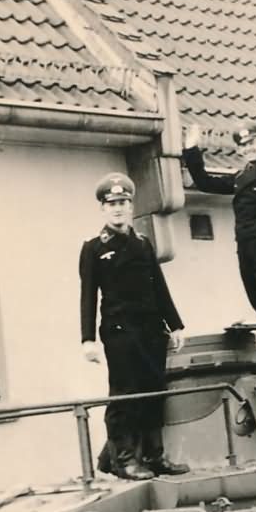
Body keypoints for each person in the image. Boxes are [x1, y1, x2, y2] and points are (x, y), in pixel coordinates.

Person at [79, 172, 189, 480]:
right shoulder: (94, 248)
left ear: (131, 206)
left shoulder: (143, 244)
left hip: (152, 331)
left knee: (155, 391)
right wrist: (87, 340)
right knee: (125, 395)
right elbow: (88, 296)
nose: (118, 208)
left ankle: (154, 456)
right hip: (120, 333)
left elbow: (159, 287)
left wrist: (176, 324)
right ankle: (124, 459)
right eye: (111, 203)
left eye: (123, 203)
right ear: (103, 208)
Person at [182, 122, 256, 368]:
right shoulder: (241, 176)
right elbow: (205, 183)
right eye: (243, 146)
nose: (248, 149)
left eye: (252, 143)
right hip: (246, 247)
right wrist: (191, 149)